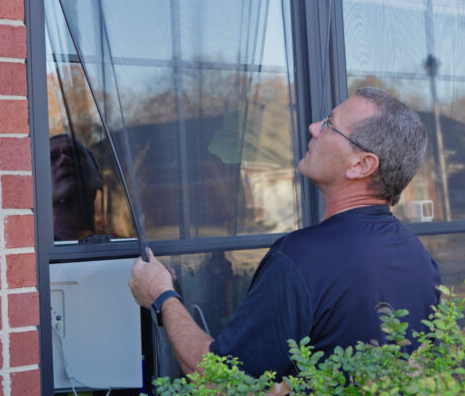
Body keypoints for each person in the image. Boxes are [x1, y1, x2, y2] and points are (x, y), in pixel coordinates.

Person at [128, 87, 441, 378]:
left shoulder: (302, 259)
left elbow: (221, 381)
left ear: (361, 165)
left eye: (330, 124)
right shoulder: (422, 261)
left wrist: (162, 296)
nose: (314, 128)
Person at [49, 133, 103, 241]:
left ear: (99, 177)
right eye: (52, 158)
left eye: (76, 154)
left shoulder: (127, 245)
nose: (64, 159)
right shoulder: (29, 250)